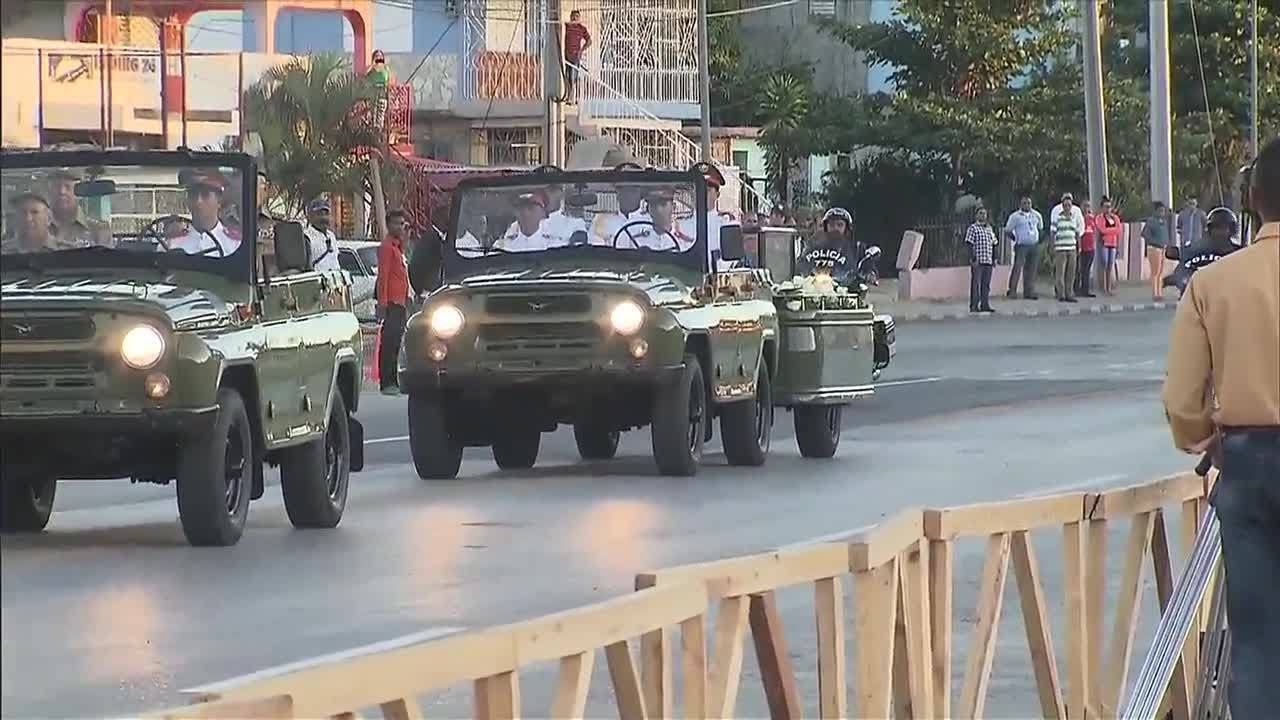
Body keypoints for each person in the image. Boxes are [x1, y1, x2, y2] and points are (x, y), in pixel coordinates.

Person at [1161, 135, 1280, 718]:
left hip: (1250, 464)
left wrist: (1205, 438)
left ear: (1254, 199)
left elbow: (1183, 402)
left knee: (1257, 640)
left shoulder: (1213, 283)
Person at [375, 210, 411, 395]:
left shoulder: (398, 247)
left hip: (401, 301)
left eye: (402, 223)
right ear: (389, 225)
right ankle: (386, 381)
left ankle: (393, 380)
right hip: (391, 301)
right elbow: (384, 276)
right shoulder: (387, 247)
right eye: (397, 223)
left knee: (396, 342)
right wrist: (382, 303)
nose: (400, 227)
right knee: (389, 343)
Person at [170, 170, 241, 256]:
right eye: (193, 194)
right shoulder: (172, 244)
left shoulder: (234, 244)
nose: (198, 201)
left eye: (205, 194)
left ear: (219, 201)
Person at [797, 207, 860, 283]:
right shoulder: (813, 247)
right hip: (813, 288)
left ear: (847, 229)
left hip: (844, 290)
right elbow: (802, 266)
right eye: (831, 225)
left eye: (840, 225)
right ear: (826, 227)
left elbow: (861, 269)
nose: (835, 228)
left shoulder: (855, 249)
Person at [1004, 196, 1043, 299]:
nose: (1027, 205)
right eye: (1024, 203)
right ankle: (1012, 291)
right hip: (1021, 245)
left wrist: (1038, 239)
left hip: (1034, 245)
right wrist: (1015, 238)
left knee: (1032, 269)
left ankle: (1029, 291)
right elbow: (1007, 230)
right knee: (1017, 267)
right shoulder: (1015, 216)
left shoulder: (1036, 215)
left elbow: (1040, 227)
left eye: (1029, 203)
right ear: (1020, 205)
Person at [494, 192, 562, 251]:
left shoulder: (555, 245)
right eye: (520, 207)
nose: (525, 213)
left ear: (543, 213)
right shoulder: (502, 246)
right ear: (515, 212)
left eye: (531, 207)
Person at [1049, 192, 1084, 302]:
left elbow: (1077, 233)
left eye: (1069, 205)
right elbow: (1052, 233)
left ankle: (1070, 293)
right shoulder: (1057, 218)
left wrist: (1079, 247)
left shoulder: (1074, 218)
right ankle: (1061, 294)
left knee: (1071, 273)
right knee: (1060, 273)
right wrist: (1051, 246)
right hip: (1060, 249)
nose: (1067, 207)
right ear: (1062, 206)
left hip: (1072, 248)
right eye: (1065, 205)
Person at [965, 207, 998, 313]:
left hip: (988, 260)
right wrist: (972, 258)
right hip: (978, 261)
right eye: (981, 213)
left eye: (984, 213)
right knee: (976, 284)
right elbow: (969, 244)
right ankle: (974, 305)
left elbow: (994, 244)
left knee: (986, 284)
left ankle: (985, 304)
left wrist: (994, 258)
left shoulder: (989, 228)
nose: (983, 215)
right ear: (976, 215)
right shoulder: (973, 228)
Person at [1141, 201, 1171, 301]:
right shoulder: (1151, 221)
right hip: (1154, 248)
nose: (1162, 212)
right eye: (1160, 210)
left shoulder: (1164, 222)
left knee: (1161, 272)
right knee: (1155, 272)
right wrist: (1155, 241)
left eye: (1163, 211)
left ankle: (1160, 292)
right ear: (1156, 211)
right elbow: (1145, 234)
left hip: (1162, 248)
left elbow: (1166, 235)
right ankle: (1155, 293)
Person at [303, 197, 341, 272]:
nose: (323, 218)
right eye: (319, 214)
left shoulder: (331, 236)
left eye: (326, 214)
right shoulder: (306, 237)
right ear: (310, 216)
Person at [1095, 197, 1123, 296]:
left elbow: (1119, 230)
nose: (1108, 209)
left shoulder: (1115, 218)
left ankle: (1109, 288)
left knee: (1110, 265)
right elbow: (1102, 229)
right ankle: (1103, 287)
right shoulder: (1099, 218)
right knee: (1104, 263)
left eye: (1109, 207)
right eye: (1106, 207)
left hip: (1113, 243)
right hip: (1104, 243)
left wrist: (1109, 231)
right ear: (1102, 208)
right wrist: (1111, 231)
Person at [562, 10, 591, 102]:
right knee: (567, 76)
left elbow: (589, 41)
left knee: (573, 77)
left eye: (577, 16)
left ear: (579, 18)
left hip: (576, 56)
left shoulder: (581, 28)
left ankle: (573, 97)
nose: (574, 18)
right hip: (567, 55)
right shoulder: (567, 26)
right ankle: (568, 96)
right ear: (570, 17)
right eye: (573, 16)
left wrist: (581, 50)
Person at [1076, 199, 1098, 297]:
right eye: (1085, 206)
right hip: (1081, 247)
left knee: (1087, 270)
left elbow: (1095, 232)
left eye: (1088, 206)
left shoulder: (1092, 218)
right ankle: (1076, 289)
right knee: (1079, 270)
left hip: (1090, 248)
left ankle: (1085, 290)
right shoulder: (1079, 218)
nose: (1086, 208)